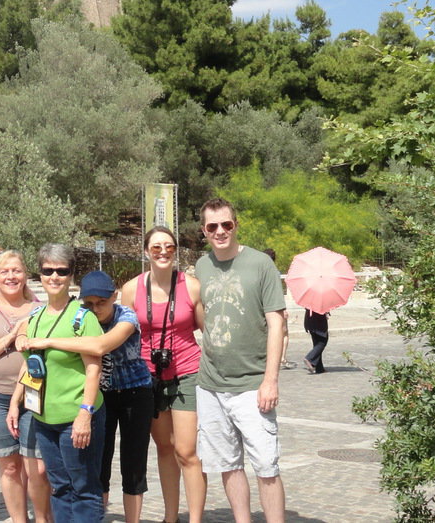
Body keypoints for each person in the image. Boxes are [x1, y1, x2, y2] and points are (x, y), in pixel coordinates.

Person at [24, 270, 152, 523]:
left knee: (133, 465)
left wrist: (49, 342)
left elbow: (99, 346)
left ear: (114, 296)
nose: (95, 309)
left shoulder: (126, 316)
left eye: (101, 302)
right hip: (101, 395)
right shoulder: (81, 317)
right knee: (97, 467)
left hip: (133, 392)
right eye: (89, 303)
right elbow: (24, 327)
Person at [194, 198, 288, 523]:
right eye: (212, 226)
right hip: (210, 385)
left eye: (226, 224)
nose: (220, 231)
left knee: (266, 466)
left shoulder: (261, 264)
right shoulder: (201, 266)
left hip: (252, 384)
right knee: (228, 464)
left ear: (236, 225)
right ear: (204, 231)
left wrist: (270, 380)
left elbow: (276, 323)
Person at [11, 243, 105, 523]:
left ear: (71, 275)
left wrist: (85, 414)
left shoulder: (82, 318)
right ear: (39, 275)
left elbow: (93, 369)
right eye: (48, 270)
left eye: (61, 271)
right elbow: (31, 365)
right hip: (44, 419)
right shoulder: (35, 318)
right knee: (60, 487)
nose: (54, 277)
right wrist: (15, 402)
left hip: (75, 417)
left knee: (84, 488)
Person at [120, 226, 207, 523]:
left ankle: (195, 519)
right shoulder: (131, 289)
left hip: (187, 371)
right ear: (146, 251)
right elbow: (124, 335)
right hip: (148, 377)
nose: (163, 252)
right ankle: (171, 518)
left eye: (169, 247)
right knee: (165, 448)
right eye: (156, 247)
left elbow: (207, 330)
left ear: (176, 250)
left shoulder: (191, 286)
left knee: (187, 451)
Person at [0, 249, 51, 523]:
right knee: (10, 466)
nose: (11, 276)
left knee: (37, 467)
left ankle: (43, 518)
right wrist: (12, 336)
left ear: (25, 275)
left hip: (33, 396)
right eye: (4, 272)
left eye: (16, 271)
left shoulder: (40, 310)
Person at [264, 249, 295, 370]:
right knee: (283, 332)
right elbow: (277, 293)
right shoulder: (274, 272)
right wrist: (283, 309)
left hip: (262, 308)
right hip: (276, 307)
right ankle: (281, 358)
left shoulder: (258, 272)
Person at [302, 309, 329, 374]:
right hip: (318, 319)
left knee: (316, 344)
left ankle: (319, 368)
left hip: (309, 318)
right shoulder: (320, 302)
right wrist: (326, 312)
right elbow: (322, 305)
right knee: (322, 342)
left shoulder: (309, 302)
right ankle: (309, 358)